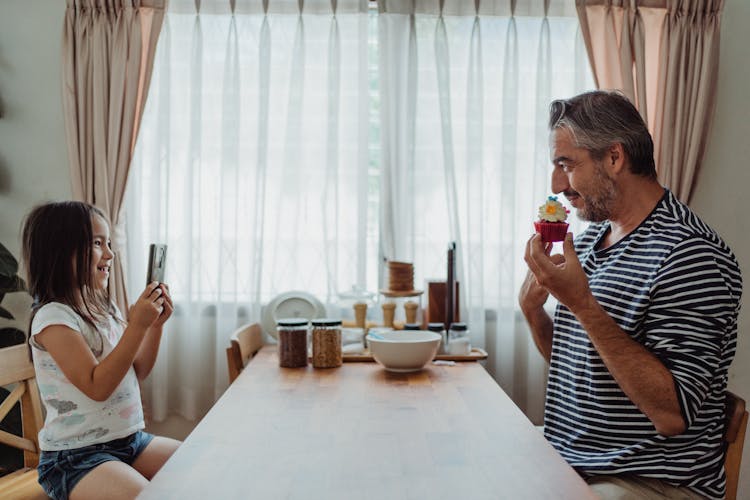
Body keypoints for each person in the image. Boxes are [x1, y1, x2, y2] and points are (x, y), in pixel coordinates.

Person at [519, 90, 742, 500]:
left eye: (566, 164)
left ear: (615, 158)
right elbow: (585, 369)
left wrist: (582, 305)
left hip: (650, 481)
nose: (556, 185)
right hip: (575, 461)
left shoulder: (691, 255)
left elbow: (672, 414)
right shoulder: (588, 242)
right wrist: (534, 312)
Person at [21, 201, 180, 500]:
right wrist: (136, 327)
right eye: (97, 243)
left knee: (198, 468)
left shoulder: (104, 308)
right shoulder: (53, 318)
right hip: (75, 458)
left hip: (130, 442)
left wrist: (154, 326)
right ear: (60, 250)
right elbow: (97, 386)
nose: (109, 253)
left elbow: (138, 371)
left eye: (108, 243)